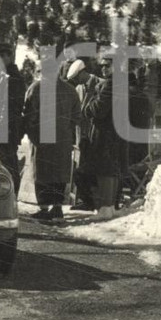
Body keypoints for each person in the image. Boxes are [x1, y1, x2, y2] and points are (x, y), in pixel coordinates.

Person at [23, 65, 79, 221]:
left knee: (42, 173)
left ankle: (43, 208)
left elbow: (28, 114)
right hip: (63, 139)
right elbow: (76, 116)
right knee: (59, 174)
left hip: (42, 139)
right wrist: (67, 130)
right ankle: (57, 208)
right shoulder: (70, 90)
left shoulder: (36, 88)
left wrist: (32, 133)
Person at [82, 53, 124, 210]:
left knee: (104, 169)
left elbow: (98, 109)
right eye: (102, 66)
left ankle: (105, 206)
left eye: (108, 65)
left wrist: (88, 106)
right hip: (117, 131)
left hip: (105, 132)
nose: (104, 69)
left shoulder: (110, 84)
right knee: (112, 169)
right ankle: (111, 205)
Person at [67, 59, 103, 211]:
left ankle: (96, 201)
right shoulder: (79, 89)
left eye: (77, 77)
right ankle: (85, 200)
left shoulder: (101, 84)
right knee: (81, 167)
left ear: (83, 72)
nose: (77, 81)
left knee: (94, 169)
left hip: (98, 135)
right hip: (83, 135)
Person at [0, 45, 26, 185]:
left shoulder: (12, 78)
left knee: (8, 162)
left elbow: (10, 106)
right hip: (5, 126)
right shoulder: (5, 77)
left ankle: (12, 192)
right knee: (6, 160)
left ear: (9, 58)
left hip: (7, 126)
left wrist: (2, 126)